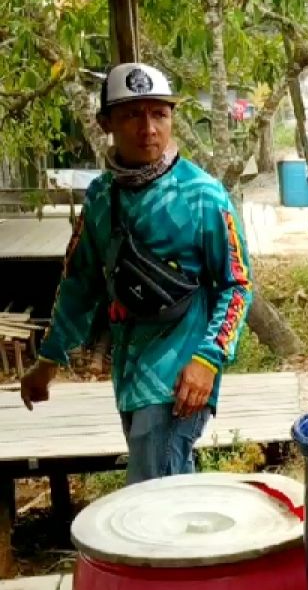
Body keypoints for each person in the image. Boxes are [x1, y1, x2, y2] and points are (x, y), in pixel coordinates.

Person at [19, 62, 254, 485]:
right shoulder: (101, 197)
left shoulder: (202, 195)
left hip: (181, 374)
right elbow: (80, 284)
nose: (148, 128)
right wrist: (48, 361)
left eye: (159, 113)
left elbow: (237, 285)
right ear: (106, 122)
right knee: (170, 488)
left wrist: (208, 358)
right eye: (132, 114)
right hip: (129, 372)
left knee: (153, 496)